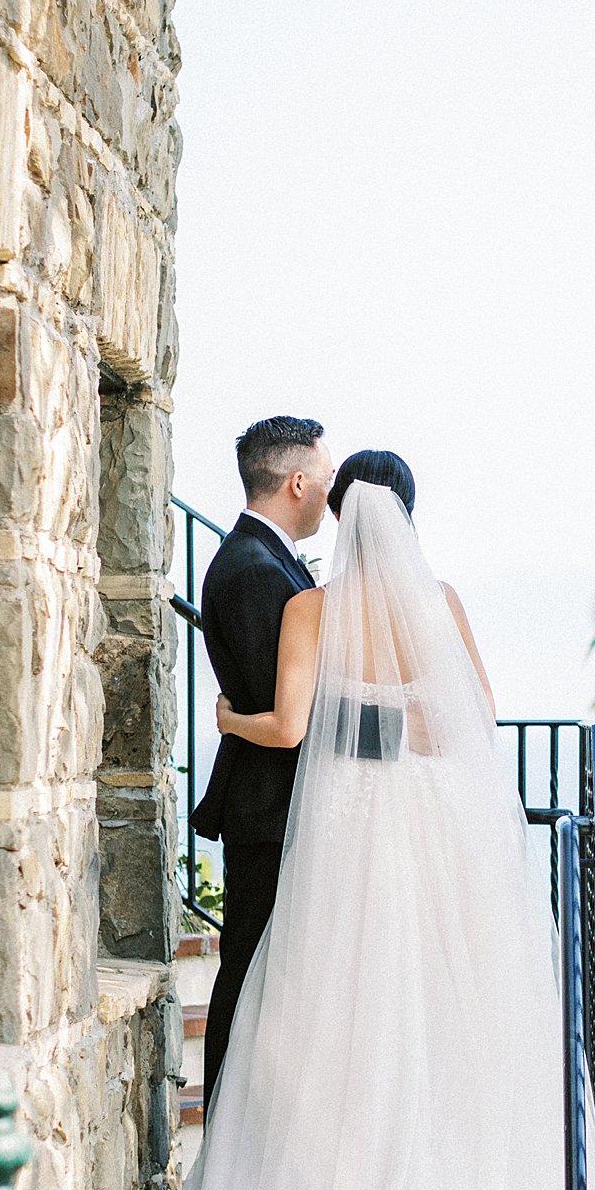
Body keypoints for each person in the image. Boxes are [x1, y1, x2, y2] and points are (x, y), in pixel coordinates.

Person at [150, 450, 595, 1190]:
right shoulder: (441, 603)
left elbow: (292, 726)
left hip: (350, 840)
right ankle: (439, 1179)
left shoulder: (309, 604)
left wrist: (225, 712)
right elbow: (475, 722)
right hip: (433, 834)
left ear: (337, 507)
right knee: (438, 1021)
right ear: (406, 514)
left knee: (329, 1026)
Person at [191, 416, 335, 1114]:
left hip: (278, 801)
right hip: (268, 805)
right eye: (328, 478)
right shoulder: (251, 569)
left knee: (269, 976)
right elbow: (280, 708)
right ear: (299, 481)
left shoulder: (266, 560)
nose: (332, 495)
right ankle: (226, 1135)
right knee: (248, 974)